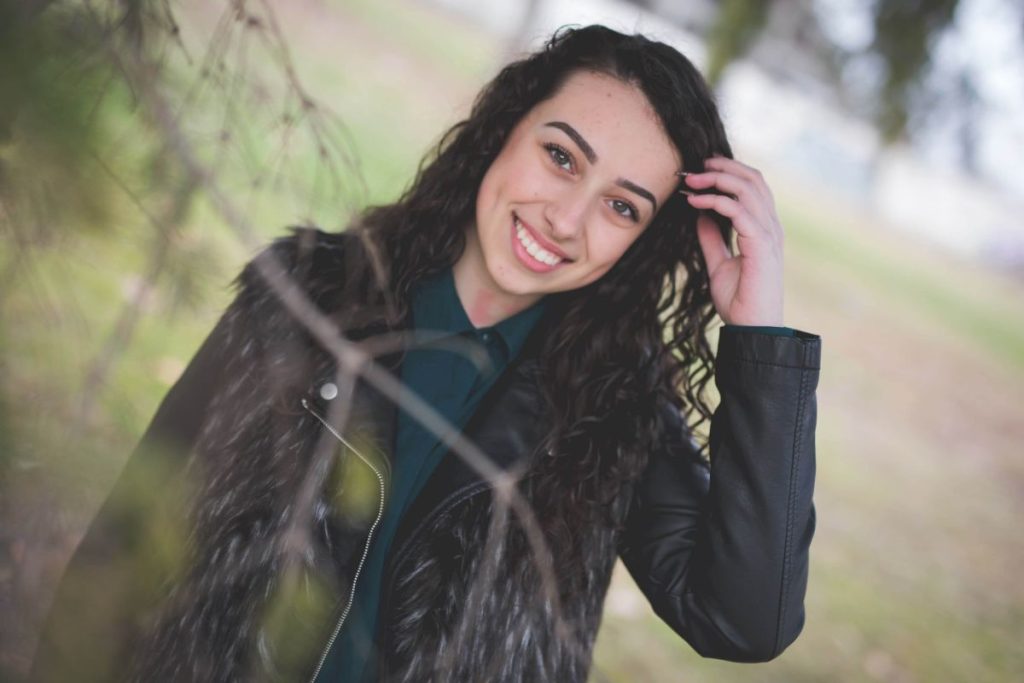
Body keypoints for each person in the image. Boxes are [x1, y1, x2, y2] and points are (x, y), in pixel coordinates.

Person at [32, 24, 820, 683]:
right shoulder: (305, 296)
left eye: (621, 206)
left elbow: (743, 618)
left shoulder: (617, 412)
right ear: (503, 131)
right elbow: (127, 535)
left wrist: (759, 336)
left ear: (642, 243)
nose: (568, 219)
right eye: (561, 157)